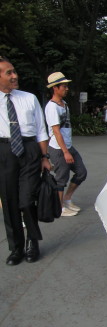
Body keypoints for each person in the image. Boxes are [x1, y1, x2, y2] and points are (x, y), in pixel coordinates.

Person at [0, 56, 50, 265]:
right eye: (8, 73)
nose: (15, 76)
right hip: (4, 151)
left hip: (29, 150)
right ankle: (16, 248)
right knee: (10, 202)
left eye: (14, 71)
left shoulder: (29, 98)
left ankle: (33, 241)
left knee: (27, 200)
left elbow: (41, 129)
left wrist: (45, 157)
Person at [45, 72, 87, 217]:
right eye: (64, 86)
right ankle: (60, 207)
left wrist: (68, 149)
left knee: (81, 173)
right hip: (58, 148)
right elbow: (56, 132)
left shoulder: (64, 104)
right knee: (61, 179)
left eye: (67, 86)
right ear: (55, 88)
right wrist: (65, 152)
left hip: (68, 146)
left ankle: (67, 199)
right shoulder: (51, 107)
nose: (67, 88)